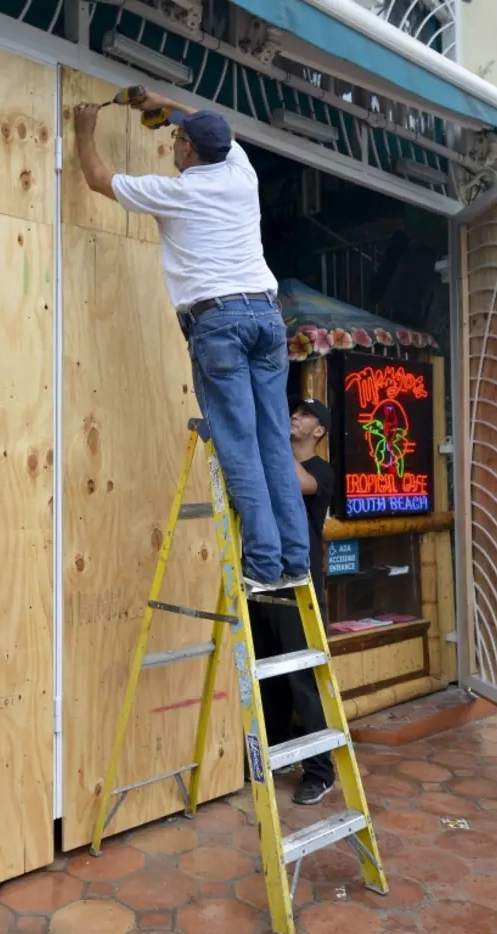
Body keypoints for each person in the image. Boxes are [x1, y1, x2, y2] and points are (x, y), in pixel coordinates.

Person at [73, 93, 309, 593]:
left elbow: (97, 177)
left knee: (239, 445)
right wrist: (159, 102)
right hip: (267, 318)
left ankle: (264, 565)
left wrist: (84, 130)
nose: (172, 143)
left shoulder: (175, 192)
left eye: (177, 139)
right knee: (272, 441)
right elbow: (207, 125)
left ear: (189, 151)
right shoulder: (241, 171)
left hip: (219, 322)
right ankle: (295, 558)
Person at [250, 399, 335, 805]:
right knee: (270, 674)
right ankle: (282, 752)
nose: (294, 418)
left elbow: (296, 482)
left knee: (302, 680)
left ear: (318, 432)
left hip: (300, 588)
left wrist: (266, 436)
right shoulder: (277, 462)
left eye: (303, 415)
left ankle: (321, 772)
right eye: (293, 412)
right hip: (266, 581)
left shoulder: (320, 471)